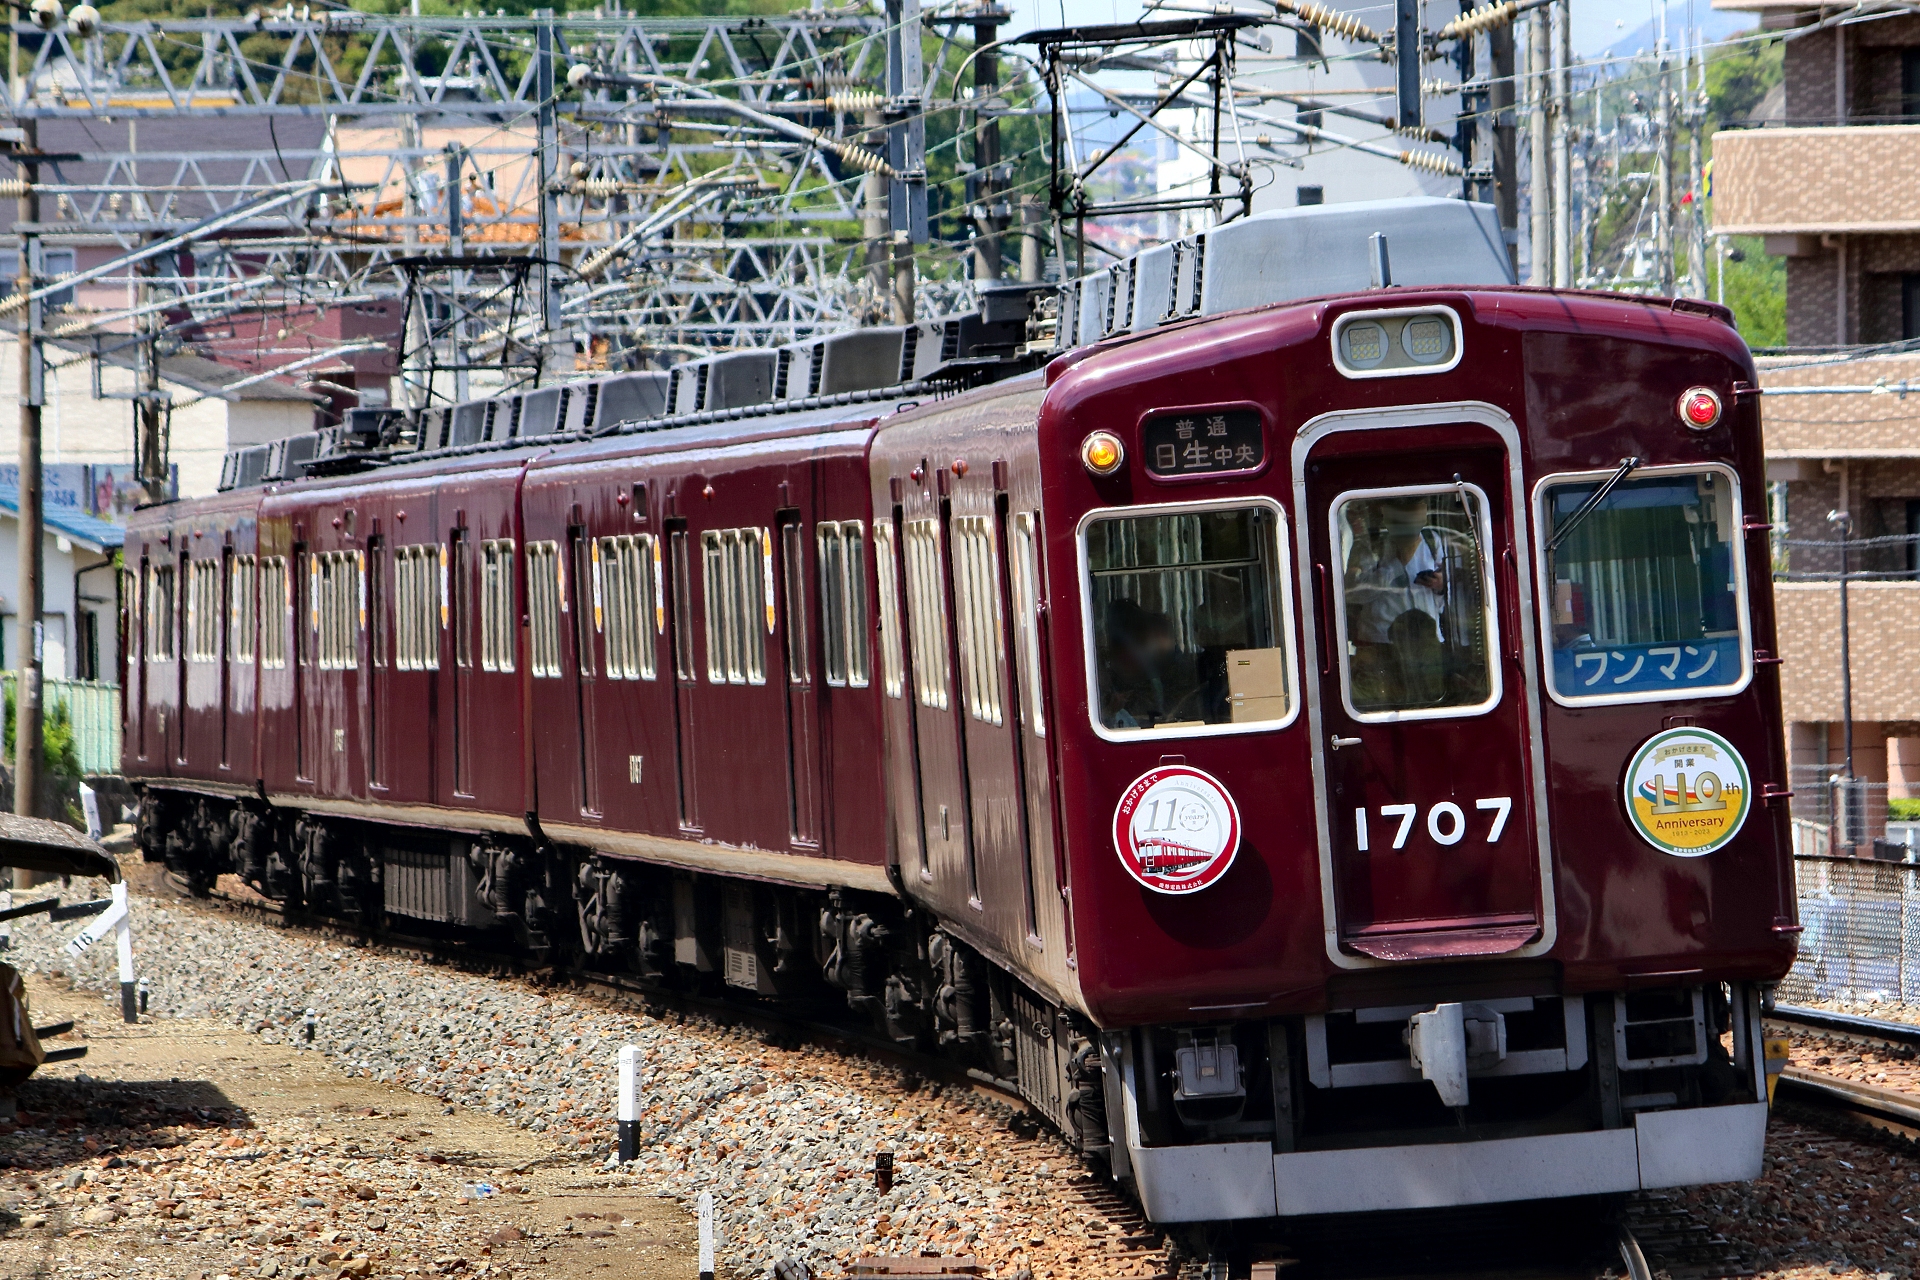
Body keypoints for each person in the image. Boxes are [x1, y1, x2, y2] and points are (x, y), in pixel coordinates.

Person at [1344, 497, 1449, 708]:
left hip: (1425, 639)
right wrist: (1397, 564)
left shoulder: (1431, 540)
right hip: (1382, 642)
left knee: (1430, 700)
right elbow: (1353, 593)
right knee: (1390, 703)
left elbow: (1447, 589)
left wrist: (1440, 585)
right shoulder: (1371, 545)